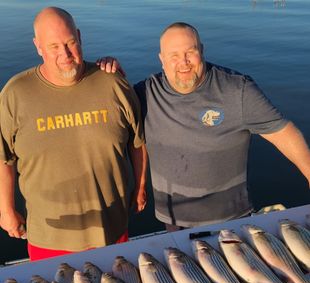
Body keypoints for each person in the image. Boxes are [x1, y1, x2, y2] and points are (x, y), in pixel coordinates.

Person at [100, 22, 310, 232]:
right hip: (173, 218)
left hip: (231, 220)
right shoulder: (145, 94)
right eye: (173, 56)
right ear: (162, 60)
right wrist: (108, 77)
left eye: (190, 52)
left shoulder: (236, 90)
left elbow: (283, 133)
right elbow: (121, 130)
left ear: (202, 51)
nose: (183, 63)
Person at [0, 7, 147, 260]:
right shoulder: (15, 94)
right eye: (54, 46)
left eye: (70, 43)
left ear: (79, 37)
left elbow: (138, 142)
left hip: (110, 229)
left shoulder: (113, 83)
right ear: (38, 46)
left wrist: (141, 187)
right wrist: (6, 210)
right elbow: (5, 157)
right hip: (49, 235)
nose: (65, 54)